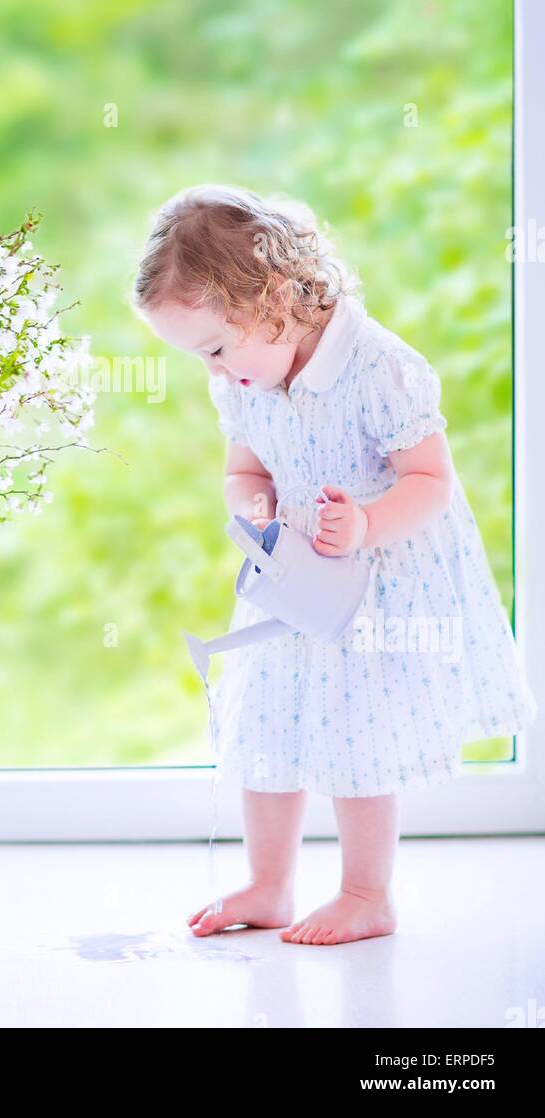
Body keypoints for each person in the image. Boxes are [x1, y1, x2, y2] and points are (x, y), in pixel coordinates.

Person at [132, 182, 538, 945]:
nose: (215, 373)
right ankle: (268, 882)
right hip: (298, 578)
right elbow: (245, 473)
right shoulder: (247, 380)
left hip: (376, 579)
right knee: (265, 727)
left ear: (276, 296)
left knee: (361, 737)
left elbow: (430, 482)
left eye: (216, 348)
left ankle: (366, 893)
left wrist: (366, 523)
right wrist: (254, 514)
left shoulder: (380, 367)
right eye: (199, 360)